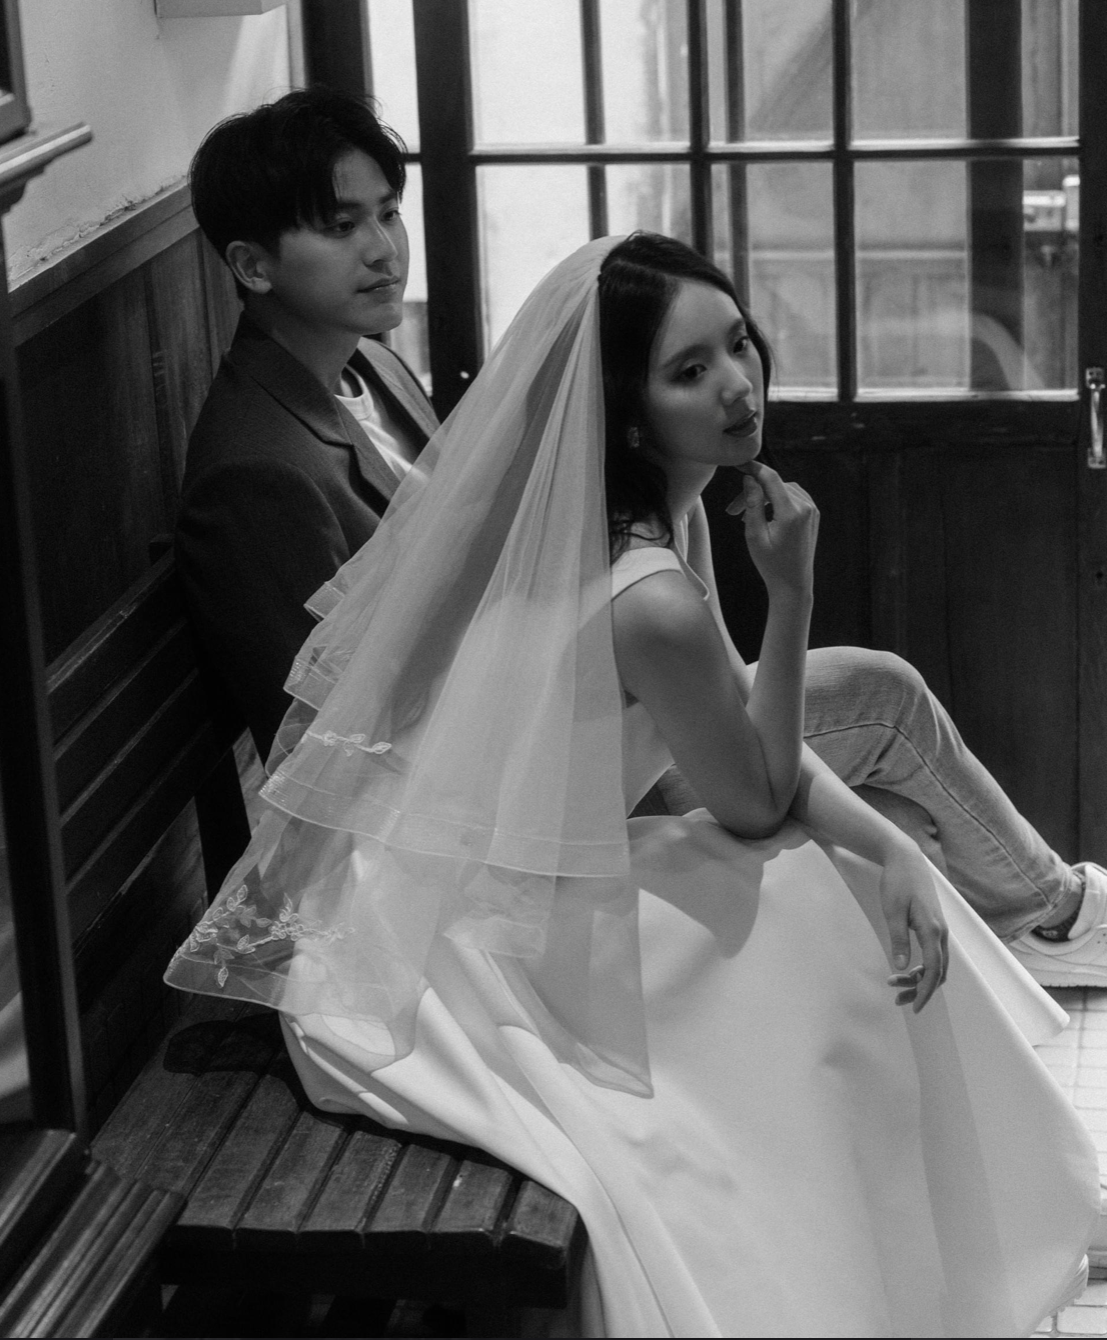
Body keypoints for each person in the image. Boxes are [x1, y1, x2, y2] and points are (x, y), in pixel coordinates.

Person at [168, 233, 1098, 1337]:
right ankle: (895, 1261)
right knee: (819, 915)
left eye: (738, 343)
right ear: (627, 414)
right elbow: (753, 795)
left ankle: (933, 1239)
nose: (738, 384)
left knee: (851, 873)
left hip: (497, 884)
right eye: (689, 371)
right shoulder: (646, 592)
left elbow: (748, 745)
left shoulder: (655, 516)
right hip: (446, 957)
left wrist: (892, 847)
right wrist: (792, 594)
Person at [174, 88, 438, 762]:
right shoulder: (255, 473)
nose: (384, 250)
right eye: (341, 226)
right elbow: (319, 744)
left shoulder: (375, 364)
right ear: (252, 266)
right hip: (410, 790)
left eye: (389, 213)